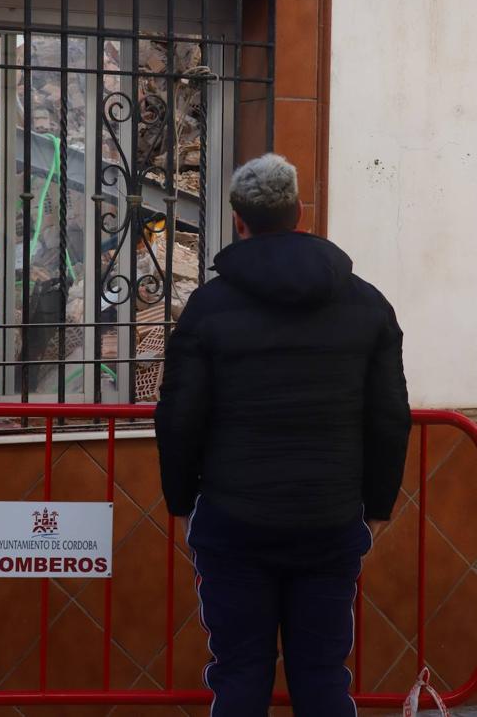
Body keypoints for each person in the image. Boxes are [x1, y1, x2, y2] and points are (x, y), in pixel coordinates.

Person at [154, 153, 411, 717]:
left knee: (241, 674)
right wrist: (377, 505)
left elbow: (179, 414)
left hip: (233, 521)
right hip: (330, 518)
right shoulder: (367, 304)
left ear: (238, 220)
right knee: (322, 675)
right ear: (300, 212)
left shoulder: (208, 306)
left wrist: (180, 501)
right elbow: (390, 414)